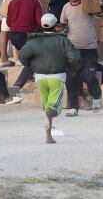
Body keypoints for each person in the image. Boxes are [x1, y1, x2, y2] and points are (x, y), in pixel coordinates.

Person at [18, 13, 80, 144]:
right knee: (54, 108)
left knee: (46, 106)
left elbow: (22, 55)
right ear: (55, 25)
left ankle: (48, 137)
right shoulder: (63, 40)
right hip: (57, 77)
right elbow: (74, 58)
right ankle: (48, 119)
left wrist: (31, 66)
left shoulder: (33, 41)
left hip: (39, 77)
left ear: (42, 25)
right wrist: (74, 69)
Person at [57, 0, 103, 116]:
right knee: (71, 78)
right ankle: (74, 107)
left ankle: (97, 96)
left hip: (89, 49)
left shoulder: (89, 4)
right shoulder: (66, 8)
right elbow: (62, 25)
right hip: (73, 50)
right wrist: (57, 27)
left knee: (88, 75)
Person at [3, 0, 43, 89]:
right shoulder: (35, 1)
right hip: (24, 35)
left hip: (13, 36)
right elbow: (40, 22)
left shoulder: (13, 2)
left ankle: (29, 77)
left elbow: (8, 23)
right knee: (34, 61)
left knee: (29, 58)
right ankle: (17, 86)